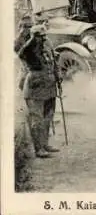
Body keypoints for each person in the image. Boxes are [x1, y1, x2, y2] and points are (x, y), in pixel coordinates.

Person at [16, 24, 61, 158]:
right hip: (35, 88)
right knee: (37, 119)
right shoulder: (29, 50)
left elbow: (54, 62)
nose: (43, 38)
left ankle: (45, 144)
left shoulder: (47, 44)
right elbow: (21, 54)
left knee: (48, 116)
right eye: (40, 36)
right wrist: (32, 39)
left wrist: (58, 77)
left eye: (43, 35)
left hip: (49, 86)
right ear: (34, 37)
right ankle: (39, 148)